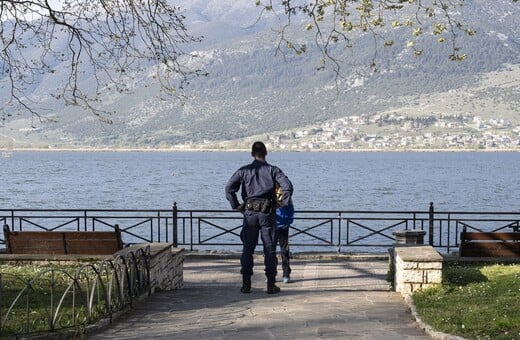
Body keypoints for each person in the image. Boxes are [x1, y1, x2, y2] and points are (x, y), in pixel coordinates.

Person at [225, 141, 293, 294]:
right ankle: (270, 284)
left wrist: (236, 206)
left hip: (249, 214)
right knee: (269, 249)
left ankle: (246, 284)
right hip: (267, 214)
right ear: (266, 153)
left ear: (252, 154)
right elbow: (287, 186)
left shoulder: (244, 171)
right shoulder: (273, 170)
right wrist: (280, 204)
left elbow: (229, 188)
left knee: (247, 249)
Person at [275, 184, 294, 284]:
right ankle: (284, 274)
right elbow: (290, 207)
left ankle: (282, 273)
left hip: (276, 225)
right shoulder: (285, 192)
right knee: (283, 250)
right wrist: (289, 220)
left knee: (272, 250)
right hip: (279, 224)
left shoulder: (265, 188)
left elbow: (290, 207)